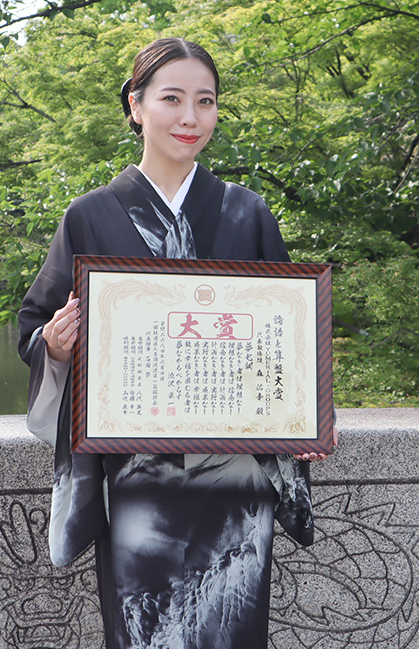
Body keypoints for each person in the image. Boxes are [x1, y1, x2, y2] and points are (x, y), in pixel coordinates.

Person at [17, 37, 334, 649]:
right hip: (137, 479)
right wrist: (55, 345)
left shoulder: (247, 213)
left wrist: (307, 418)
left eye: (205, 101)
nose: (191, 117)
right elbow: (34, 325)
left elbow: (287, 334)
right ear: (135, 106)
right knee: (143, 628)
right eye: (172, 99)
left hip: (237, 477)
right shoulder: (90, 215)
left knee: (233, 623)